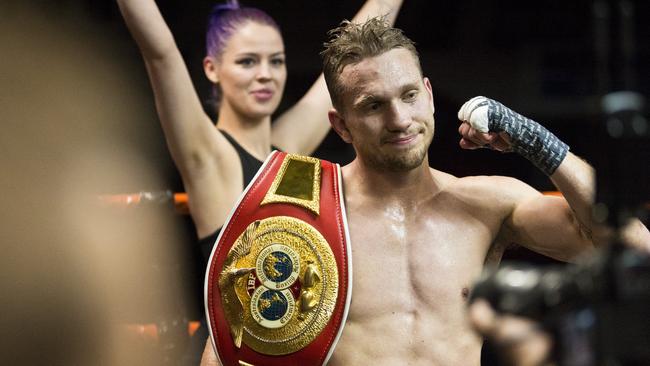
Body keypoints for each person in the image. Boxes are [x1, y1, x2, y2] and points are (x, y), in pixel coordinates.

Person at [201, 17, 650, 365]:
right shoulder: (302, 214)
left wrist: (537, 142)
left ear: (430, 95)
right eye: (373, 106)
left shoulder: (488, 204)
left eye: (409, 95)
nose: (399, 119)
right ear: (340, 125)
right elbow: (226, 350)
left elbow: (634, 249)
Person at [116, 0, 404, 261]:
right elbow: (160, 53)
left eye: (276, 61)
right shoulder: (210, 156)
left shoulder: (284, 149)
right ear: (212, 69)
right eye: (247, 61)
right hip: (229, 320)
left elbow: (350, 50)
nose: (265, 74)